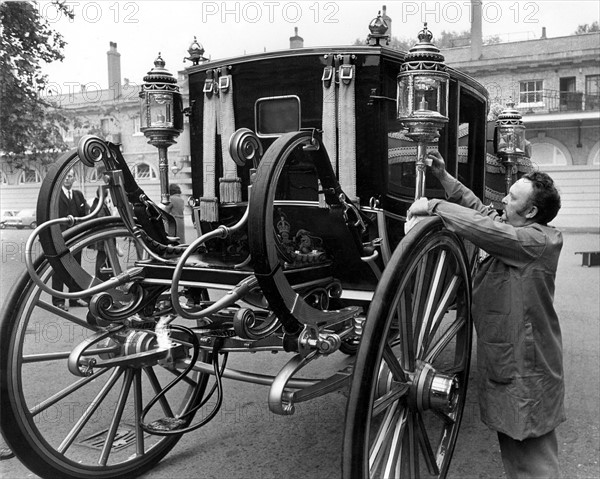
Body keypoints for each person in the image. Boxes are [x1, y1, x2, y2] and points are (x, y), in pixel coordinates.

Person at [408, 150, 564, 479]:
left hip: (527, 368)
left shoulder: (536, 241)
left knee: (535, 461)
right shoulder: (513, 227)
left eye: (511, 197)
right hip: (509, 360)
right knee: (515, 452)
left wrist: (433, 206)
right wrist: (444, 178)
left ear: (532, 211)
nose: (503, 200)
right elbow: (480, 212)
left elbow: (485, 230)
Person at [52, 170, 89, 311]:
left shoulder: (79, 195)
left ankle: (74, 299)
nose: (67, 178)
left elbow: (85, 215)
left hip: (76, 239)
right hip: (59, 239)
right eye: (65, 176)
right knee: (59, 269)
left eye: (70, 176)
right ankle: (58, 301)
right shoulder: (55, 196)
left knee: (76, 268)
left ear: (74, 178)